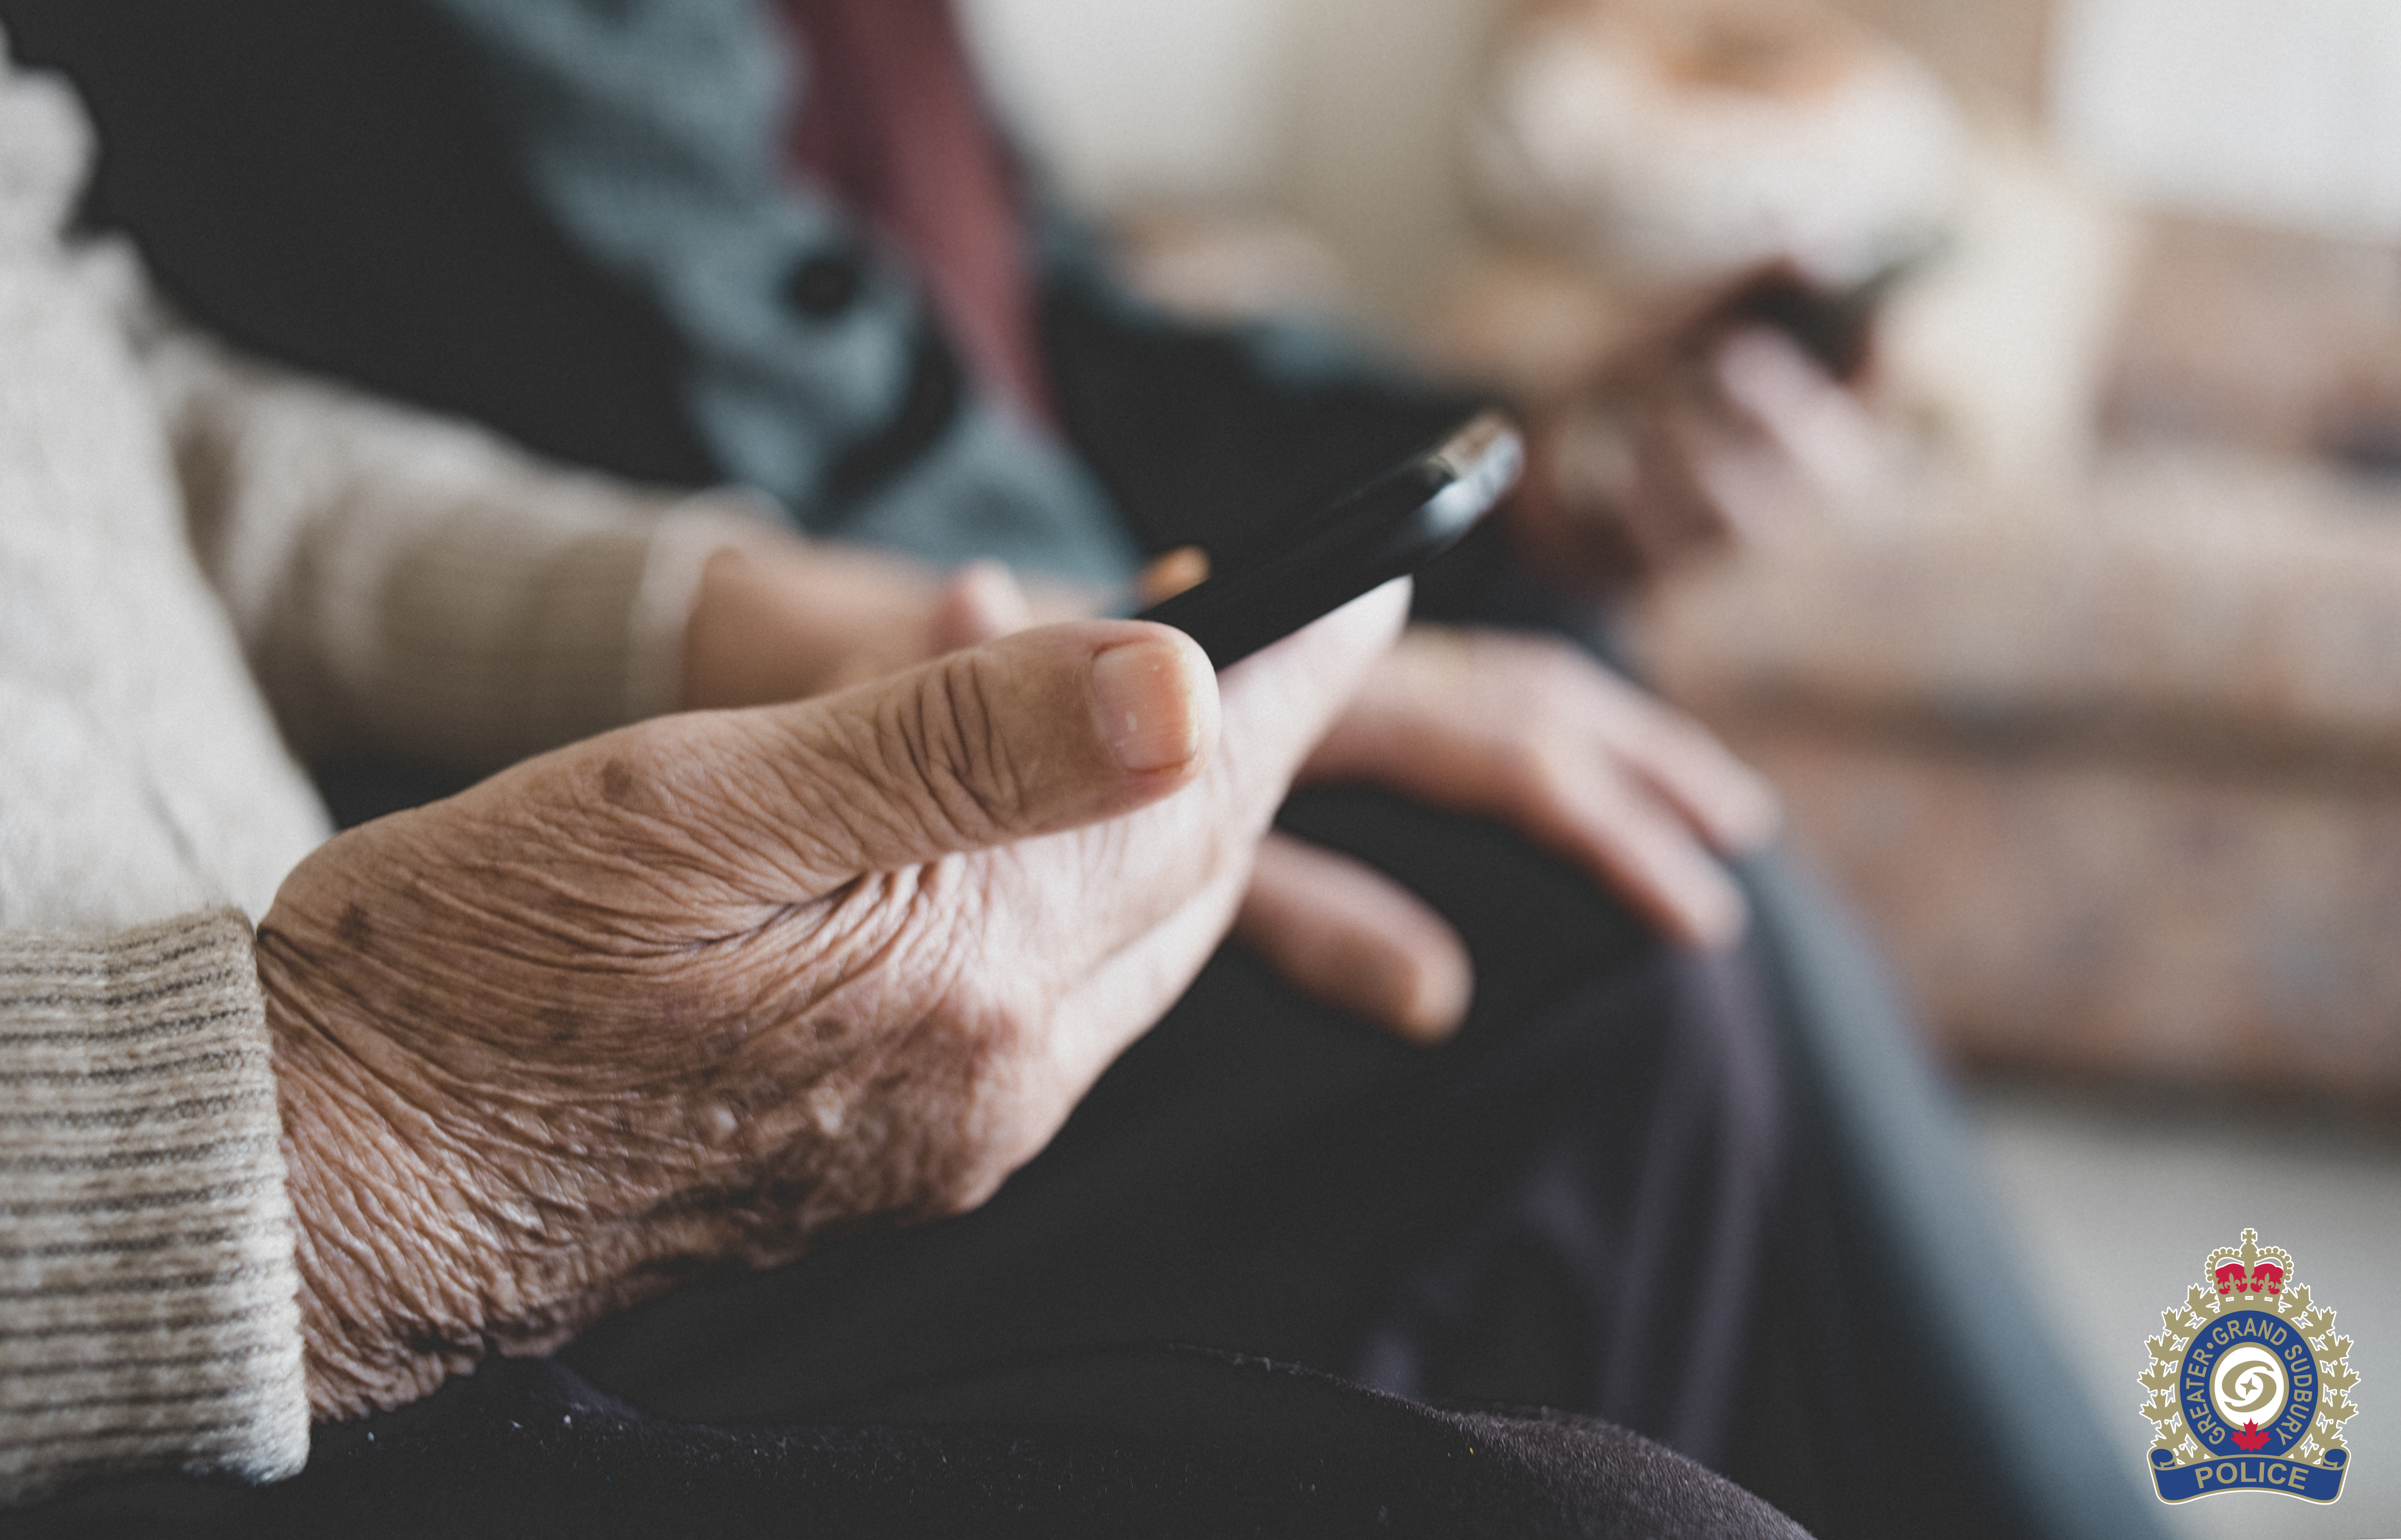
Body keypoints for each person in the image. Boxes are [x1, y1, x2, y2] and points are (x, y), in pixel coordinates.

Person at [0, 3, 2169, 1536]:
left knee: (1598, 891)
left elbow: (155, 409)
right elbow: (748, 368)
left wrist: (789, 605)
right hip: (168, 1252)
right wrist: (333, 1137)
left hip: (274, 1000)